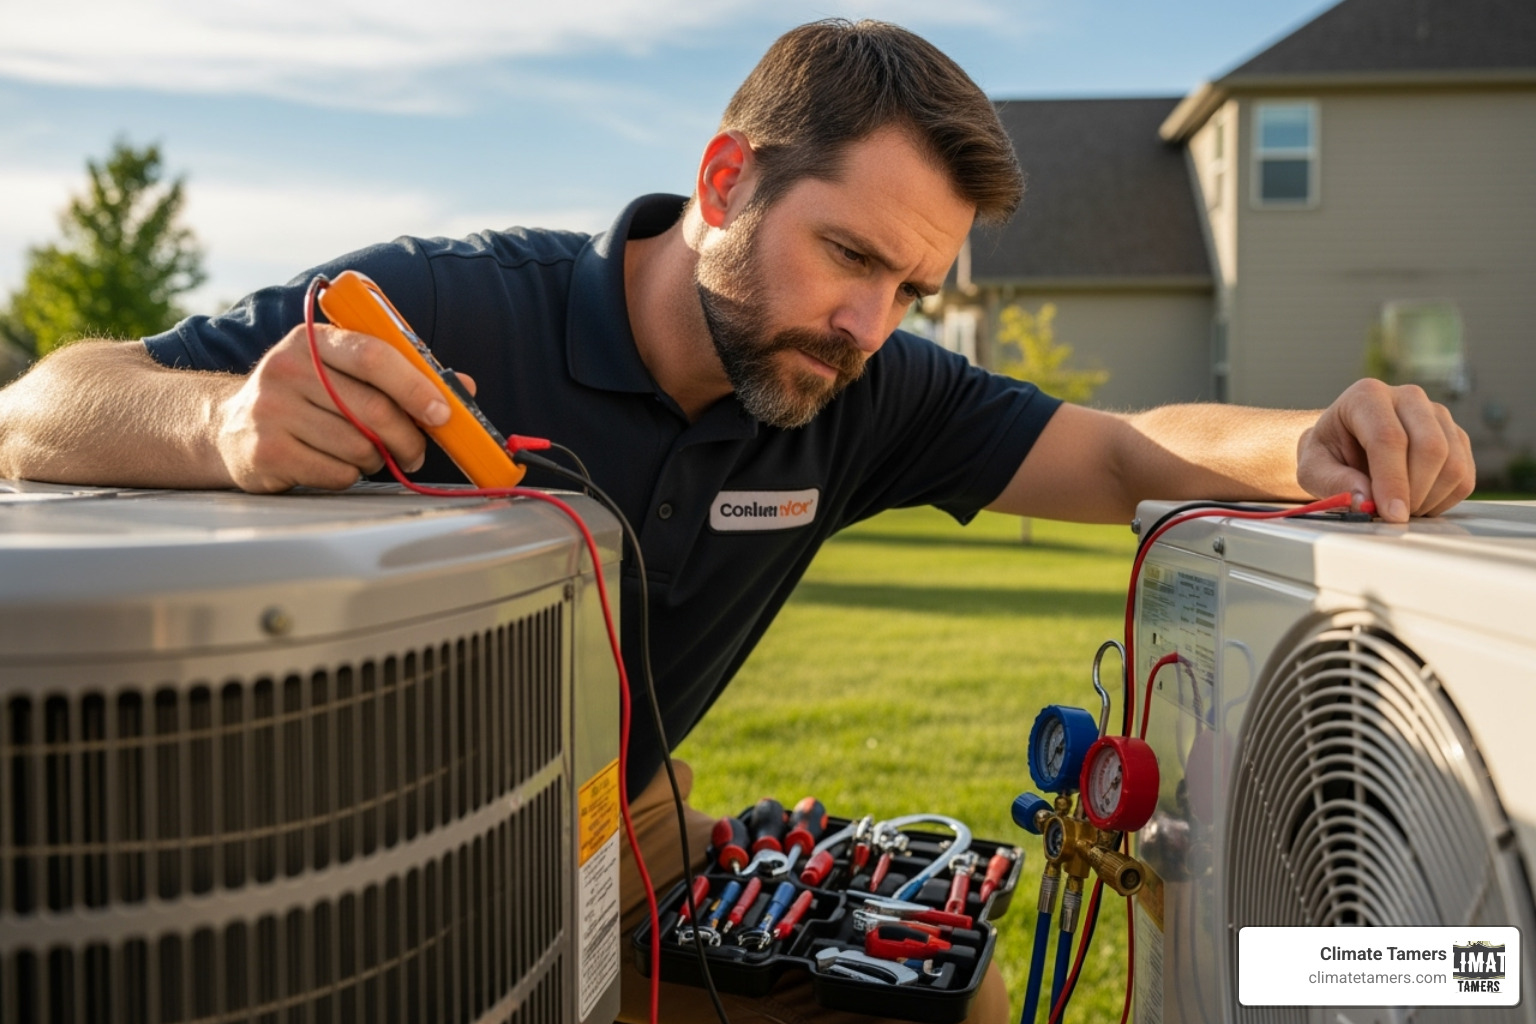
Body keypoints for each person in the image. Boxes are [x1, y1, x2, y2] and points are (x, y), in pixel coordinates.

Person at [0, 19, 1473, 1024]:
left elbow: (1120, 451)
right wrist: (220, 423)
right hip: (339, 839)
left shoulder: (863, 389)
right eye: (847, 255)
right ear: (724, 180)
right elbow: (45, 405)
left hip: (616, 812)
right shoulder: (454, 302)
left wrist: (1315, 438)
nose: (866, 323)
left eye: (911, 287)